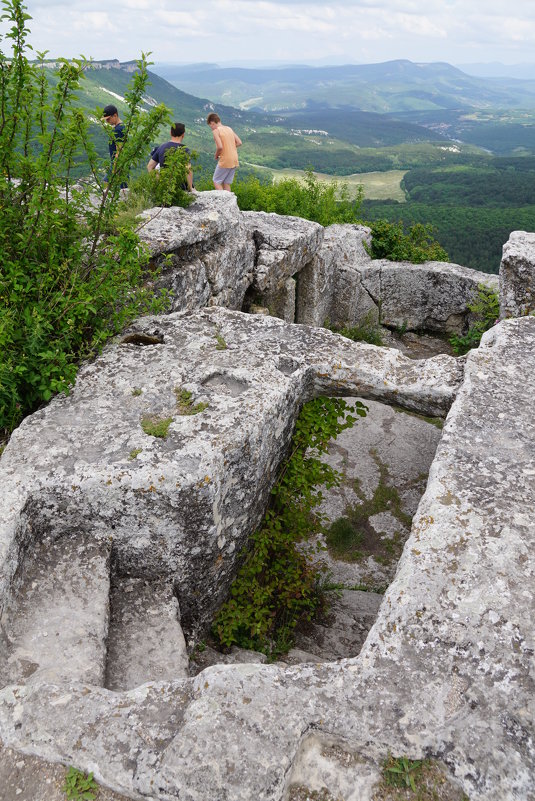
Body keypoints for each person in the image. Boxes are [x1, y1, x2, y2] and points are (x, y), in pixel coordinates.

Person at [146, 122, 193, 190]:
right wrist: (191, 188)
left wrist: (158, 182)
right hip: (180, 188)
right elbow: (188, 169)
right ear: (183, 135)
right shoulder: (184, 149)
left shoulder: (161, 147)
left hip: (164, 188)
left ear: (170, 133)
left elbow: (150, 166)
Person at [206, 113, 242, 191]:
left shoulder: (216, 131)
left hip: (225, 159)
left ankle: (222, 202)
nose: (211, 128)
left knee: (216, 181)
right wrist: (230, 147)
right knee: (226, 183)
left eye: (211, 126)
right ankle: (228, 201)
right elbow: (239, 142)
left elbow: (220, 147)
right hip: (234, 159)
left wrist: (216, 155)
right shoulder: (229, 128)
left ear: (212, 122)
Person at [102, 103, 127, 187]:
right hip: (121, 162)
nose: (107, 121)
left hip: (118, 163)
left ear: (115, 115)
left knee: (108, 182)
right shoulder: (122, 127)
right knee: (122, 185)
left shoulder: (118, 130)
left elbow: (119, 149)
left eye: (108, 119)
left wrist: (115, 166)